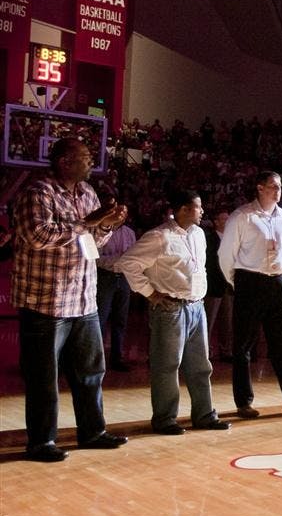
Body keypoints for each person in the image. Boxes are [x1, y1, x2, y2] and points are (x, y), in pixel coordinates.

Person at [12, 137, 128, 462]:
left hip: (82, 299)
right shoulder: (38, 193)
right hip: (45, 302)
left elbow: (92, 240)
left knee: (91, 371)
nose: (92, 161)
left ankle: (92, 432)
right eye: (86, 156)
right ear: (64, 161)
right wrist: (87, 223)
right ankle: (41, 442)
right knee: (43, 378)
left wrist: (107, 225)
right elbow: (37, 236)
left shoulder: (88, 194)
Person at [117, 190, 230, 435]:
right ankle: (165, 419)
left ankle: (204, 414)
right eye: (198, 207)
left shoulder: (199, 234)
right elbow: (128, 263)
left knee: (201, 365)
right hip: (170, 309)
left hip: (196, 306)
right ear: (183, 210)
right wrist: (150, 293)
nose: (202, 212)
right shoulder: (160, 237)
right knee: (167, 365)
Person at [218, 171, 282, 419]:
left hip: (277, 283)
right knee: (243, 346)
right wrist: (237, 282)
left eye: (280, 186)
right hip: (249, 281)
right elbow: (225, 255)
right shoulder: (242, 216)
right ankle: (243, 402)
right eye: (273, 186)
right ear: (260, 188)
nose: (278, 191)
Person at [95, 193, 136, 372]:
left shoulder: (130, 233)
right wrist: (118, 259)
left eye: (125, 212)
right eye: (119, 211)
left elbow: (134, 256)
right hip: (106, 277)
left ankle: (117, 358)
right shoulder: (101, 230)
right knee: (101, 319)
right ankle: (97, 360)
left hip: (124, 278)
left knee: (120, 320)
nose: (122, 215)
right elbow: (96, 259)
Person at [204, 208, 233, 362]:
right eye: (224, 219)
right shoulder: (210, 239)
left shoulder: (232, 239)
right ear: (216, 222)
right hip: (214, 286)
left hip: (228, 287)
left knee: (227, 322)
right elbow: (209, 263)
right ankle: (206, 351)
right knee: (209, 321)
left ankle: (226, 350)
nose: (228, 222)